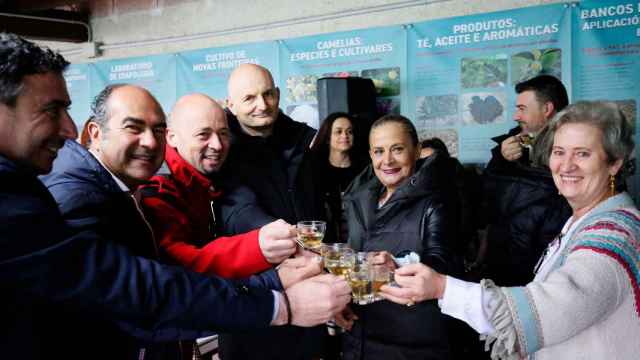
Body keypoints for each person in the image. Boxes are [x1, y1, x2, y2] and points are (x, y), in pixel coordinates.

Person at [0, 32, 351, 359]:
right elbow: (143, 289)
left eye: (157, 129)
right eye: (51, 110)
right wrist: (279, 300)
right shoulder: (66, 194)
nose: (68, 128)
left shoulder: (105, 185)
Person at [381, 101, 640, 359]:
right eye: (559, 152)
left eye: (582, 153)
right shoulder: (583, 219)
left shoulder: (614, 236)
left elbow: (546, 310)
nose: (566, 165)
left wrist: (442, 288)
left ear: (614, 163)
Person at [219, 63, 327, 359]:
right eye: (249, 98)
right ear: (231, 104)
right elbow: (236, 208)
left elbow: (322, 209)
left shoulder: (306, 140)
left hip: (310, 286)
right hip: (251, 292)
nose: (261, 105)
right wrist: (283, 238)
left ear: (279, 94)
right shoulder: (220, 149)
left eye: (268, 94)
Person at [139, 93, 299, 279]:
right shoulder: (157, 186)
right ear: (172, 137)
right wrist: (256, 247)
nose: (217, 145)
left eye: (223, 134)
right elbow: (174, 263)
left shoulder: (205, 171)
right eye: (203, 135)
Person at [340, 115, 454, 360]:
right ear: (370, 155)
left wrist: (399, 266)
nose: (387, 160)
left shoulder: (439, 199)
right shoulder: (358, 200)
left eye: (397, 149)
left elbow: (444, 264)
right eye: (379, 151)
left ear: (416, 151)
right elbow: (349, 257)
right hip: (358, 337)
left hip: (411, 343)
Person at [483, 75, 572, 286]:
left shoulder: (574, 148)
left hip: (547, 271)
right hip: (503, 268)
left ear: (547, 109)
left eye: (522, 108)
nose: (515, 116)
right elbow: (485, 200)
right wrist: (500, 160)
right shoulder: (509, 145)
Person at [310, 112, 367, 244]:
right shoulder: (314, 170)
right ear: (328, 137)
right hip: (325, 241)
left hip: (359, 240)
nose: (345, 136)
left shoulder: (365, 170)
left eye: (349, 132)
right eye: (338, 132)